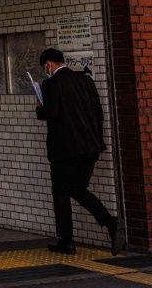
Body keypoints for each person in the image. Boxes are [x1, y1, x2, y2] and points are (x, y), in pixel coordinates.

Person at [34, 47, 125, 255]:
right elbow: (98, 112)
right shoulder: (86, 80)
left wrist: (39, 107)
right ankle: (109, 222)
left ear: (48, 65)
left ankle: (67, 241)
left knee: (61, 194)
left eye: (45, 68)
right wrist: (97, 140)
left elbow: (51, 113)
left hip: (65, 150)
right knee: (77, 189)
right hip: (90, 147)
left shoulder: (51, 84)